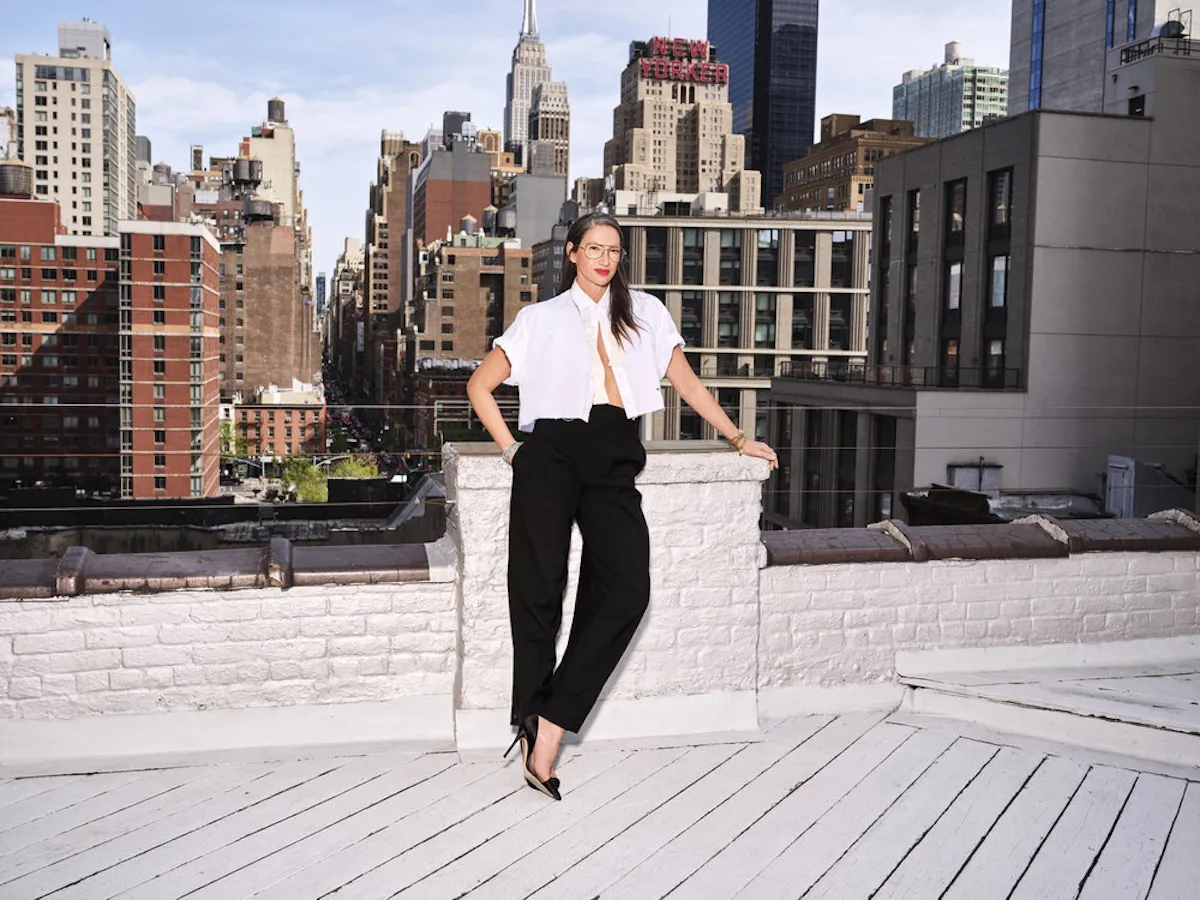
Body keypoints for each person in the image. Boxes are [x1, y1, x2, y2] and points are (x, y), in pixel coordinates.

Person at [467, 212, 777, 800]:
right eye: (594, 249)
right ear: (573, 254)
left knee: (627, 590)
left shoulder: (647, 313)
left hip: (614, 452)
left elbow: (686, 383)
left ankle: (550, 725)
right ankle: (528, 719)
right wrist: (513, 452)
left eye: (613, 250)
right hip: (550, 453)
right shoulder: (540, 319)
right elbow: (479, 385)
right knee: (537, 590)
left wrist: (737, 437)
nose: (605, 259)